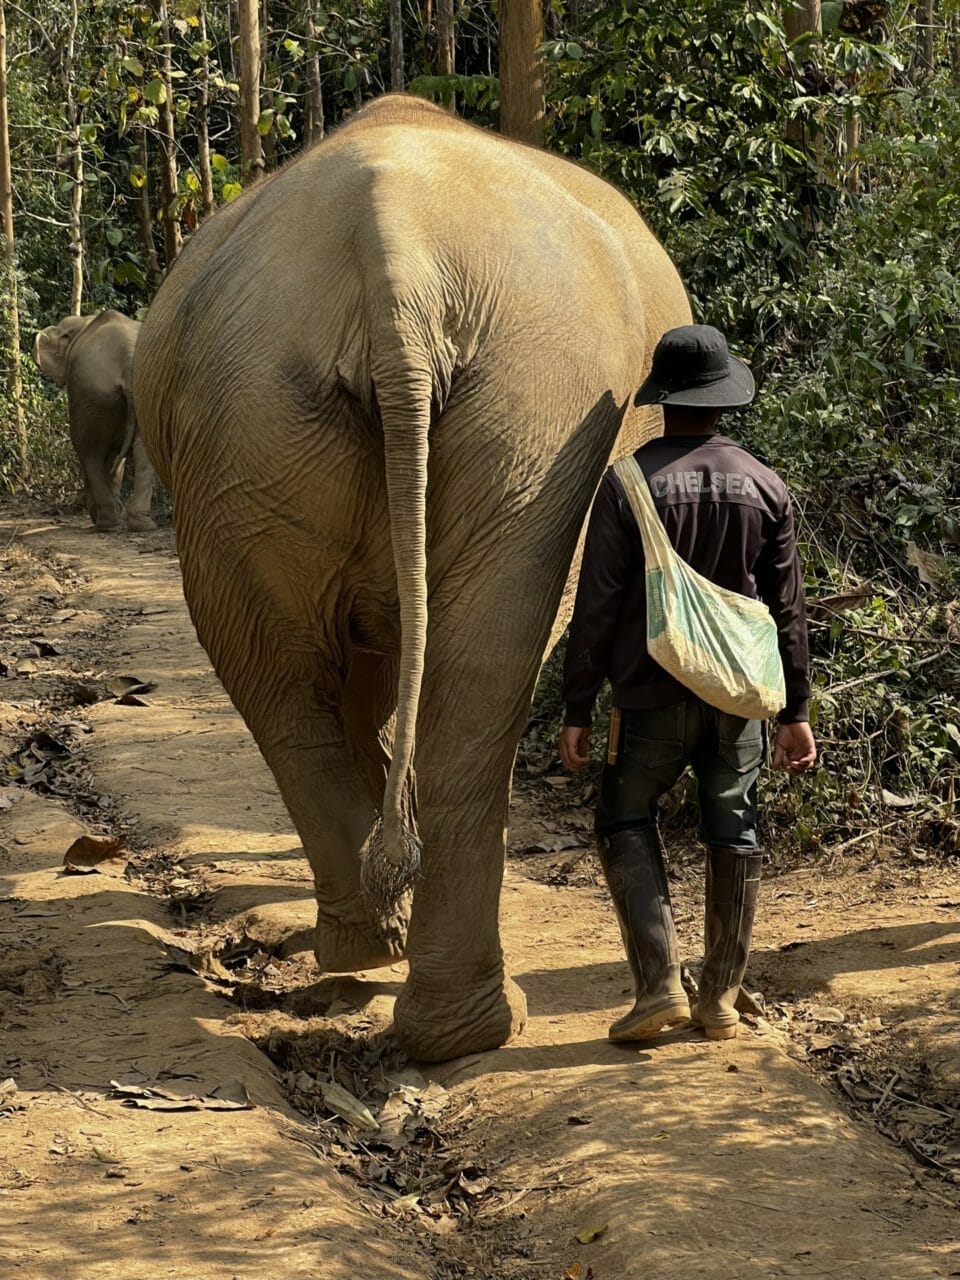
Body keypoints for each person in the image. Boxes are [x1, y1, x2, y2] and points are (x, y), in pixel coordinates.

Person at [558, 324, 816, 1043]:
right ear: (725, 397)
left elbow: (599, 602)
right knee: (734, 826)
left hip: (647, 694)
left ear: (663, 399)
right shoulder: (766, 485)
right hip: (738, 700)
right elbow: (787, 610)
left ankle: (658, 988)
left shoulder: (629, 482)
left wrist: (578, 704)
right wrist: (795, 710)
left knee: (624, 816)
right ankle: (721, 998)